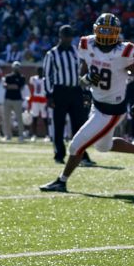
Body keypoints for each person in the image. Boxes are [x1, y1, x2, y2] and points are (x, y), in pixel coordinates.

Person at [40, 14, 134, 192]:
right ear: (96, 30)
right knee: (104, 146)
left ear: (117, 33)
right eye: (102, 30)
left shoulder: (125, 51)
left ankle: (62, 181)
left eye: (109, 31)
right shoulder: (86, 45)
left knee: (76, 145)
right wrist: (87, 80)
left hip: (112, 110)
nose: (105, 34)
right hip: (97, 104)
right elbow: (83, 77)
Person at [43, 25, 89, 165]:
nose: (69, 39)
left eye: (70, 36)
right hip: (60, 91)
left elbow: (82, 72)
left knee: (80, 125)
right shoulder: (52, 54)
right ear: (60, 36)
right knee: (59, 125)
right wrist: (49, 95)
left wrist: (85, 91)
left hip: (75, 91)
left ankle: (82, 155)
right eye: (66, 36)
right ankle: (59, 154)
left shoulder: (76, 51)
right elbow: (47, 75)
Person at [4, 62, 27, 141]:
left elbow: (18, 87)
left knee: (19, 118)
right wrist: (12, 86)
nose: (16, 69)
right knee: (7, 118)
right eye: (15, 67)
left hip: (17, 100)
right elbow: (5, 86)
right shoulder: (8, 76)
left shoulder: (22, 77)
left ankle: (21, 135)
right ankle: (8, 135)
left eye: (17, 68)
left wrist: (10, 86)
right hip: (8, 99)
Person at [27, 69, 49, 140]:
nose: (40, 73)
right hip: (35, 100)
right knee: (34, 117)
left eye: (41, 71)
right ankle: (34, 134)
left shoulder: (45, 79)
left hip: (43, 100)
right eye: (39, 71)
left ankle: (47, 135)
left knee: (45, 118)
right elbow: (30, 83)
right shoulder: (33, 78)